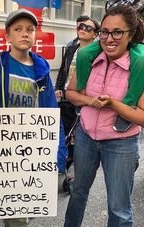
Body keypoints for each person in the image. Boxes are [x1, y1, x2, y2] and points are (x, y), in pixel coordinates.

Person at [0, 8, 67, 227]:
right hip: (4, 156)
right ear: (7, 36)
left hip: (34, 154)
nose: (25, 34)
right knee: (15, 218)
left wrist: (59, 150)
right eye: (18, 29)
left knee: (29, 210)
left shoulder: (41, 70)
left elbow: (52, 113)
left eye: (30, 30)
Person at [64, 4, 144, 227]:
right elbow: (71, 92)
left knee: (119, 208)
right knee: (78, 192)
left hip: (121, 144)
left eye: (117, 32)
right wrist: (91, 101)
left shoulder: (139, 66)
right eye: (105, 32)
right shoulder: (89, 59)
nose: (109, 38)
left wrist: (113, 104)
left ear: (131, 34)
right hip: (86, 138)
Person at [55, 17, 99, 192]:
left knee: (77, 138)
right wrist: (59, 87)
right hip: (66, 99)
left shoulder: (97, 53)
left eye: (89, 28)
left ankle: (72, 175)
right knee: (63, 135)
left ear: (95, 34)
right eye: (81, 26)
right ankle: (63, 165)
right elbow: (62, 70)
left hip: (83, 101)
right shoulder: (71, 49)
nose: (83, 29)